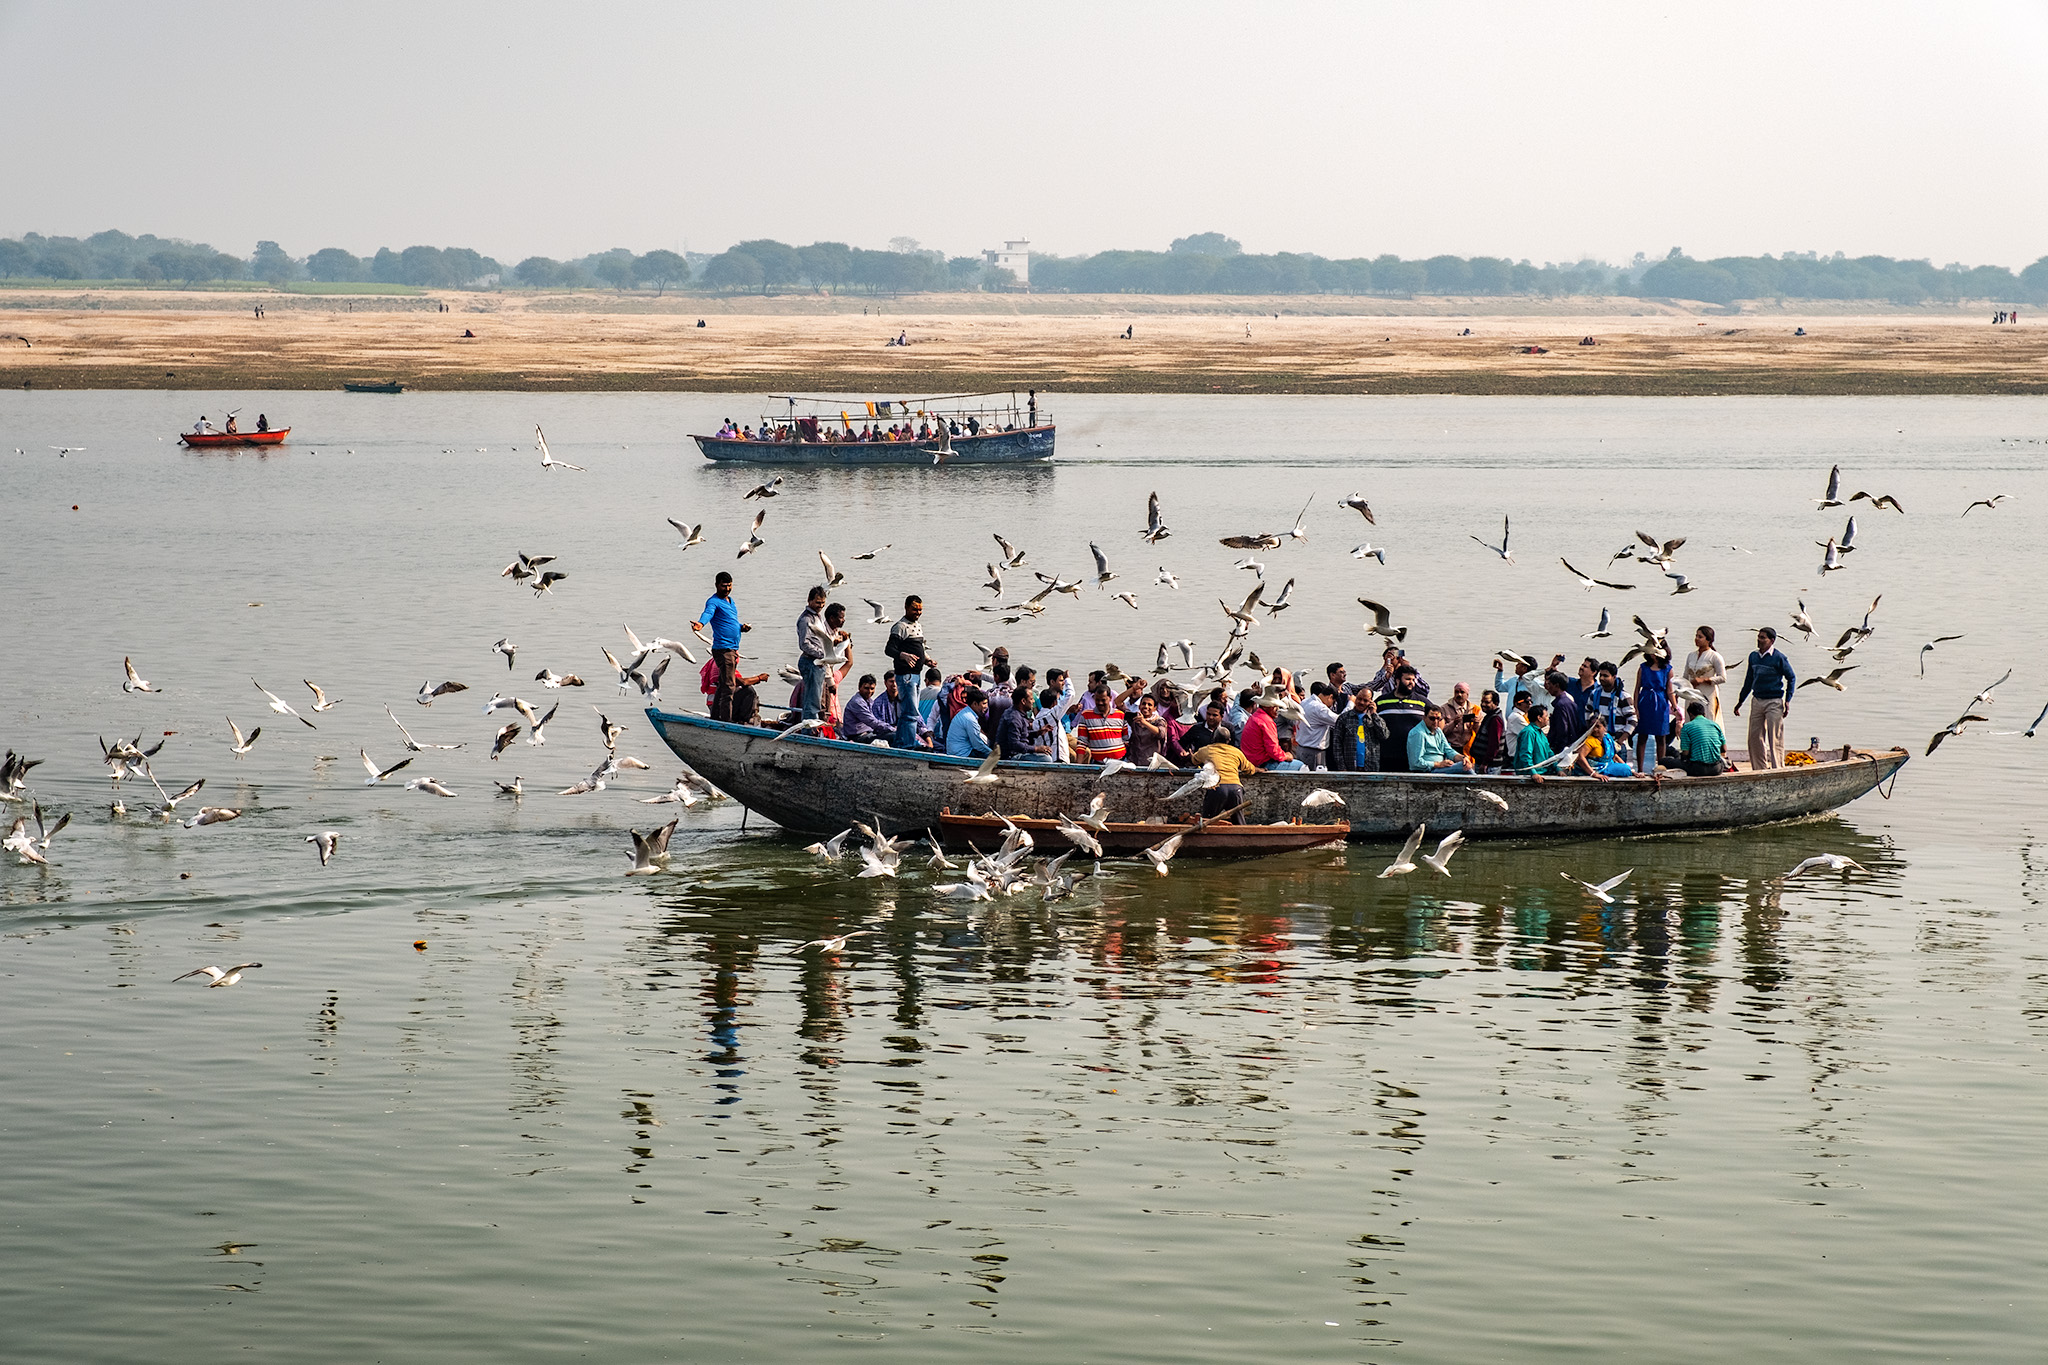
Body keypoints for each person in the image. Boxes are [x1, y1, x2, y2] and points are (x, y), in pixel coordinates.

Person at [1734, 627, 1796, 770]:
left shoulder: (1779, 657)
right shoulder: (1753, 656)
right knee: (1754, 737)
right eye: (1758, 637)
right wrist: (1740, 702)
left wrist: (1787, 700)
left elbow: (1791, 677)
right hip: (1757, 700)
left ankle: (1777, 769)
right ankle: (1759, 769)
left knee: (1774, 737)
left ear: (1771, 640)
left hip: (1774, 701)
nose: (1759, 640)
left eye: (1763, 638)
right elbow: (1749, 680)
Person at [691, 571, 748, 721]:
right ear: (716, 585)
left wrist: (741, 627)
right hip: (723, 649)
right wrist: (700, 624)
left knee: (723, 686)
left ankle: (715, 718)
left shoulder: (730, 601)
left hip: (732, 649)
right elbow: (708, 614)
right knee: (729, 687)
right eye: (724, 586)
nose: (727, 589)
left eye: (729, 586)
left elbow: (730, 622)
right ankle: (726, 722)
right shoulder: (713, 601)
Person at [884, 595, 935, 748]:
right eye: (914, 609)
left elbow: (920, 647)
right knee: (911, 712)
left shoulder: (918, 626)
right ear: (906, 607)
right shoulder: (900, 627)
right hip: (905, 676)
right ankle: (908, 743)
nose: (918, 612)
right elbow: (889, 649)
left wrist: (927, 659)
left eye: (920, 610)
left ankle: (901, 742)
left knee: (910, 710)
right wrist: (903, 655)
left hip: (916, 675)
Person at [1374, 664, 1430, 770]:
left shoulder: (1422, 702)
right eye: (1408, 679)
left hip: (1415, 756)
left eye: (1413, 680)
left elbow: (1438, 719)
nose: (1411, 683)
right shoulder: (1381, 701)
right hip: (1387, 756)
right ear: (1398, 680)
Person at [1190, 731, 1254, 820]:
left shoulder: (1206, 750)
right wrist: (1259, 769)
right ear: (1229, 740)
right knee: (1239, 824)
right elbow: (1250, 770)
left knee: (1208, 822)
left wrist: (1191, 755)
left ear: (1213, 739)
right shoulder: (1237, 752)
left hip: (1217, 789)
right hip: (1235, 789)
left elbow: (1194, 760)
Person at [1634, 649, 1677, 771]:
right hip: (1646, 701)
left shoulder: (1668, 669)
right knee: (1642, 736)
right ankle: (1640, 769)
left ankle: (1661, 767)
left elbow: (1670, 690)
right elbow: (1637, 688)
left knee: (1661, 737)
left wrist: (1674, 706)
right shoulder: (1643, 667)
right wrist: (1636, 707)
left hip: (1661, 703)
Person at [1239, 694, 1304, 771]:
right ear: (1266, 707)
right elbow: (1273, 750)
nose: (1277, 709)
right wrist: (1286, 756)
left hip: (1251, 761)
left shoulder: (1255, 716)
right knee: (1301, 766)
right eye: (1275, 706)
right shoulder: (1266, 720)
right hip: (1264, 763)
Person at [1583, 663, 1636, 755]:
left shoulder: (1623, 697)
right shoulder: (1595, 694)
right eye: (1601, 675)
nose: (1602, 678)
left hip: (1616, 743)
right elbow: (1588, 711)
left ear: (1614, 677)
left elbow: (1633, 720)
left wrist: (1620, 741)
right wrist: (1590, 728)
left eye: (1605, 676)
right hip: (1598, 743)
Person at [1408, 705, 1476, 774]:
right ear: (1424, 717)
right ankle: (1479, 784)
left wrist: (1463, 758)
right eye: (1432, 718)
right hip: (1427, 771)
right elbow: (1415, 763)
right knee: (1464, 767)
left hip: (1440, 767)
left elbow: (1448, 750)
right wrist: (1438, 764)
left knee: (1468, 764)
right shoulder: (1418, 733)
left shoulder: (1438, 731)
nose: (1435, 722)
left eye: (1438, 719)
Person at [796, 586, 830, 721]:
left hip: (818, 663)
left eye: (822, 603)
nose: (820, 606)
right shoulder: (806, 620)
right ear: (809, 600)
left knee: (815, 699)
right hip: (810, 661)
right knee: (812, 701)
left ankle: (811, 728)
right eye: (817, 602)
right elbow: (804, 644)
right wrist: (822, 654)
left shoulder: (818, 617)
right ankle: (808, 732)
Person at [1683, 626, 1727, 724]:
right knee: (1690, 723)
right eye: (1696, 636)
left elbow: (1723, 678)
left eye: (1700, 637)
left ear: (1708, 639)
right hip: (1691, 696)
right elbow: (1685, 677)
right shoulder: (1691, 655)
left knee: (1706, 722)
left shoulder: (1715, 656)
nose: (1696, 639)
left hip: (1707, 696)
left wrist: (1703, 680)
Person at [1077, 683, 1129, 764]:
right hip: (1097, 763)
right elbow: (1081, 743)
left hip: (1120, 761)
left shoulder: (1120, 715)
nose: (1100, 703)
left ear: (1110, 698)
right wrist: (1078, 766)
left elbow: (1126, 740)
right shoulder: (1086, 715)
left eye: (1103, 700)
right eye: (1097, 700)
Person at [996, 686, 1052, 761]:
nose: (1033, 702)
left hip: (1018, 753)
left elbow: (1021, 734)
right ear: (1023, 701)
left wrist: (1037, 733)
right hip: (1011, 756)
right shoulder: (1014, 717)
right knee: (1046, 759)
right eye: (1031, 699)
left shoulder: (1019, 714)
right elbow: (1014, 744)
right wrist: (1036, 749)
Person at [1294, 682, 1339, 770]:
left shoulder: (1305, 702)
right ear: (1330, 697)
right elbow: (1340, 721)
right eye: (1333, 702)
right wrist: (1350, 704)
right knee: (1315, 779)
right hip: (1313, 752)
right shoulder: (1319, 708)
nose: (1331, 705)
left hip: (1301, 748)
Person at [1675, 701, 1726, 776]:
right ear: (1704, 714)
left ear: (1690, 714)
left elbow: (1686, 753)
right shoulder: (1715, 725)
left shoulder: (1686, 727)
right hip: (1716, 768)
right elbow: (1724, 749)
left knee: (1665, 761)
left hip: (1698, 769)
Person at [842, 674, 894, 742]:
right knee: (893, 736)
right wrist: (892, 728)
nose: (869, 691)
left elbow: (877, 719)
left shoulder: (869, 701)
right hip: (857, 737)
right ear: (859, 687)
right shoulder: (857, 702)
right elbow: (872, 721)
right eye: (866, 688)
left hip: (869, 733)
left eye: (872, 689)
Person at [945, 687, 993, 758]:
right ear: (974, 704)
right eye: (984, 704)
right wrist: (992, 753)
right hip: (961, 754)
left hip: (955, 751)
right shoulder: (970, 719)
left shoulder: (966, 713)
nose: (986, 707)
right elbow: (977, 744)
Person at [1470, 690, 1508, 773]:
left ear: (1496, 703)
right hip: (1484, 763)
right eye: (1482, 702)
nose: (1483, 705)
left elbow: (1494, 744)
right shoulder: (1489, 717)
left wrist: (1485, 763)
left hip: (1490, 766)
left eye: (1487, 702)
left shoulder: (1495, 720)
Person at [1543, 671, 1581, 752]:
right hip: (1572, 744)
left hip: (1563, 748)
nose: (1548, 687)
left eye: (1550, 684)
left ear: (1557, 686)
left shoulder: (1560, 705)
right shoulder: (1570, 702)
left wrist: (1557, 748)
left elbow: (1562, 730)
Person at [1126, 693, 1168, 765]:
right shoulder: (1134, 719)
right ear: (1139, 706)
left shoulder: (1159, 721)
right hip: (1134, 761)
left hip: (1152, 763)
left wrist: (1144, 722)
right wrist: (1134, 688)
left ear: (1155, 708)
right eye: (1144, 704)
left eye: (1149, 705)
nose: (1146, 706)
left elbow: (1161, 734)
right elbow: (1118, 703)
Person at [1439, 682, 1479, 754]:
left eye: (1462, 692)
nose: (1459, 695)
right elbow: (1440, 732)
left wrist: (1476, 723)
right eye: (1456, 692)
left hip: (1469, 747)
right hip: (1451, 747)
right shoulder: (1444, 709)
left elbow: (1480, 733)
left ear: (1467, 695)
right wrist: (1454, 723)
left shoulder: (1475, 709)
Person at [1515, 705, 1555, 773]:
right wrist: (1533, 772)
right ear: (1539, 718)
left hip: (1543, 772)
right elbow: (1525, 755)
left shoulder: (1540, 733)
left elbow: (1549, 753)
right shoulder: (1528, 732)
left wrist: (1558, 768)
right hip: (1531, 775)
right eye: (1546, 716)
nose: (1548, 719)